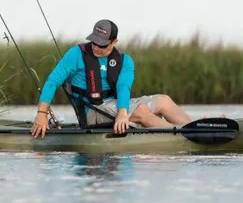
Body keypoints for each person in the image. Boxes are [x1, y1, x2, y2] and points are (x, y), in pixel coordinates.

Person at [31, 19, 194, 138]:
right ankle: (184, 137)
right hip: (92, 111)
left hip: (115, 106)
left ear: (114, 42)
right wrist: (41, 113)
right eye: (93, 42)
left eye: (102, 44)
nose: (96, 47)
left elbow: (124, 86)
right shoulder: (76, 54)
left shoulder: (125, 61)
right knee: (142, 111)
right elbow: (52, 81)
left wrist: (123, 113)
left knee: (164, 100)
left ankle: (195, 130)